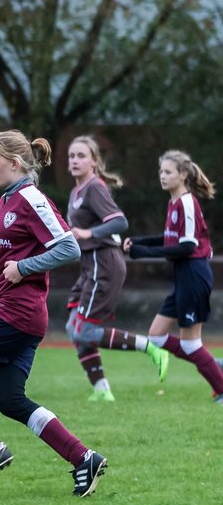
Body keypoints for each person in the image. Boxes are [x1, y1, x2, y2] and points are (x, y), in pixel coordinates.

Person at [0, 131, 108, 497]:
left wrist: (27, 266)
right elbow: (4, 244)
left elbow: (69, 248)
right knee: (11, 401)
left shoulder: (31, 198)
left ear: (14, 164)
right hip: (19, 314)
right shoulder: (8, 199)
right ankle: (84, 459)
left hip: (15, 311)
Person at [62, 135, 169, 401]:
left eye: (81, 156)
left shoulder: (94, 188)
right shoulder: (76, 192)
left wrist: (88, 233)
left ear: (94, 161)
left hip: (104, 263)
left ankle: (151, 348)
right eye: (71, 156)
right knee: (72, 326)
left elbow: (119, 222)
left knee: (84, 330)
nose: (75, 160)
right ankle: (102, 391)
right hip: (90, 266)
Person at [123, 149, 223, 403]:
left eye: (168, 172)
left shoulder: (188, 202)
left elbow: (187, 246)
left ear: (183, 174)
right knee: (156, 335)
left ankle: (219, 384)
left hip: (194, 274)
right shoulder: (174, 202)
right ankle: (211, 363)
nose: (162, 176)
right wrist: (140, 241)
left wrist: (143, 251)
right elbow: (171, 239)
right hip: (183, 276)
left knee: (191, 344)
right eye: (161, 171)